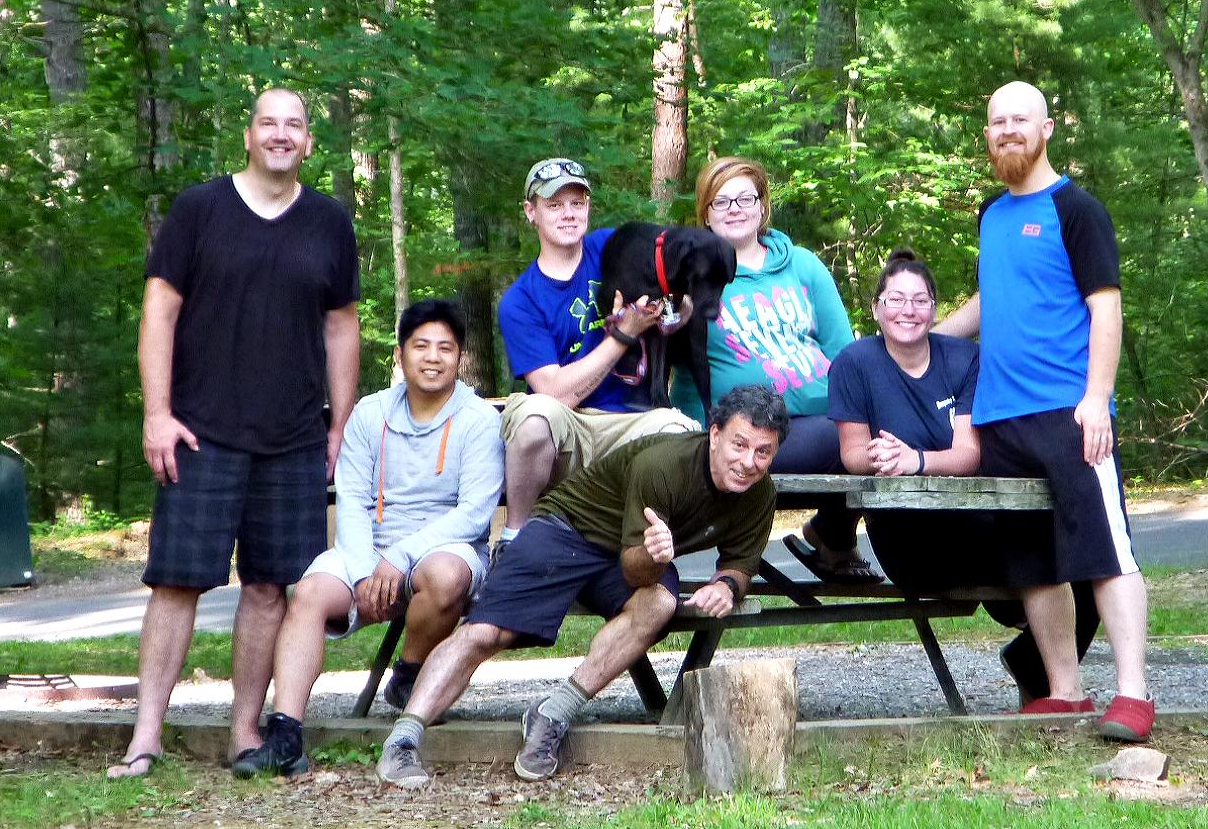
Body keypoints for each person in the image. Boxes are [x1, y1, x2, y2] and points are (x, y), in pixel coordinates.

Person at [108, 87, 360, 779]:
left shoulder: (329, 223)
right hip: (200, 430)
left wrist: (340, 424)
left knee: (270, 589)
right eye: (269, 123)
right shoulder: (199, 211)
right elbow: (158, 314)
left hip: (293, 437)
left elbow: (342, 327)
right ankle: (146, 736)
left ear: (309, 142)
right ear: (247, 136)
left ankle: (245, 733)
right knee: (176, 583)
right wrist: (156, 414)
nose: (281, 135)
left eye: (295, 126)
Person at [374, 384, 788, 788]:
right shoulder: (664, 465)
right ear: (714, 434)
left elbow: (739, 562)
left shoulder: (759, 494)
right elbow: (635, 568)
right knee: (487, 632)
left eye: (762, 451)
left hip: (628, 553)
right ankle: (405, 737)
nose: (748, 462)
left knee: (658, 605)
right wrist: (657, 554)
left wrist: (727, 586)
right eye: (739, 444)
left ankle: (553, 713)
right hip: (568, 529)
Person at [938, 80, 1152, 741]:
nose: (1008, 130)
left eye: (1020, 120)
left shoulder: (1077, 210)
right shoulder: (991, 215)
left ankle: (1134, 695)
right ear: (987, 134)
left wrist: (1096, 397)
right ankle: (1064, 689)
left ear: (1047, 129)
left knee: (1104, 552)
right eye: (997, 120)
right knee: (1032, 560)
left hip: (1068, 410)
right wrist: (916, 338)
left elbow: (1105, 306)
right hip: (999, 419)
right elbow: (993, 301)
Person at [232, 299, 504, 778]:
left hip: (445, 548)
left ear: (460, 358)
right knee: (311, 591)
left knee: (443, 575)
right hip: (370, 548)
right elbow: (353, 499)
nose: (433, 357)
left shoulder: (478, 419)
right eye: (421, 346)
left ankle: (409, 675)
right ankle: (286, 733)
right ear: (400, 356)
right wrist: (361, 570)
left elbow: (474, 515)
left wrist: (398, 559)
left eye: (446, 348)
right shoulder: (369, 413)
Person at [826, 248, 1098, 704]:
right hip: (908, 535)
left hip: (975, 516)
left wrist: (915, 460)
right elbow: (851, 453)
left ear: (935, 309)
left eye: (919, 300)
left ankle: (1048, 685)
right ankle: (1052, 683)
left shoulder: (964, 359)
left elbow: (968, 453)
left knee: (1081, 564)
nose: (907, 311)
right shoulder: (855, 362)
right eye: (895, 299)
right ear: (876, 308)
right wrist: (879, 457)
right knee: (1041, 556)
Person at [678, 156, 878, 582]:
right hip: (749, 433)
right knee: (856, 439)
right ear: (706, 214)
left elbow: (845, 355)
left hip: (824, 417)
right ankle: (834, 541)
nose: (734, 208)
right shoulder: (691, 279)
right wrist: (695, 434)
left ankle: (834, 535)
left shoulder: (803, 265)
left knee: (879, 425)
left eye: (744, 198)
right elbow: (682, 370)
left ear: (762, 205)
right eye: (720, 201)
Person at [495, 158, 698, 543]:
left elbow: (680, 286)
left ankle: (642, 547)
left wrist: (669, 308)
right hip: (567, 431)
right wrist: (622, 336)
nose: (568, 214)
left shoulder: (610, 246)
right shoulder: (519, 301)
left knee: (681, 433)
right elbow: (554, 392)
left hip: (630, 422)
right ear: (530, 212)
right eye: (554, 205)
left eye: (577, 203)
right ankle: (514, 537)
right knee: (535, 413)